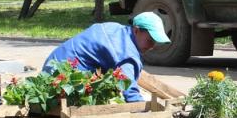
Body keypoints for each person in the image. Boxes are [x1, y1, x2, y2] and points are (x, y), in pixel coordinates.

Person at [42, 12, 170, 102]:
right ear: (136, 30)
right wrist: (148, 115)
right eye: (150, 40)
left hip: (50, 68)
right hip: (61, 81)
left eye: (155, 42)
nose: (152, 46)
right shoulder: (126, 53)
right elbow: (131, 93)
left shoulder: (115, 29)